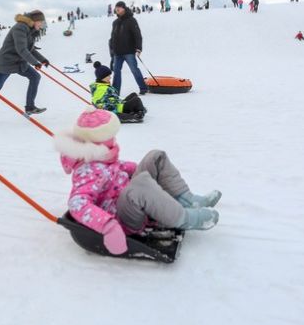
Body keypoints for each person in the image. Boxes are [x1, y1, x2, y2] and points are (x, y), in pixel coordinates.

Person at [55, 108, 221, 255]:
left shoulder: (99, 156)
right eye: (110, 136)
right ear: (98, 140)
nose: (114, 139)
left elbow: (114, 168)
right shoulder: (87, 171)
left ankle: (189, 200)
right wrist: (109, 226)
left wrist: (140, 168)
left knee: (156, 157)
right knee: (140, 185)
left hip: (128, 199)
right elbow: (77, 203)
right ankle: (184, 218)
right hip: (123, 219)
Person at [109, 1, 147, 96]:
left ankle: (143, 87)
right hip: (117, 53)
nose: (117, 9)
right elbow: (112, 38)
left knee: (134, 69)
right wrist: (112, 53)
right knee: (116, 72)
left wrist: (138, 49)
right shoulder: (115, 22)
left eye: (119, 8)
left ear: (124, 8)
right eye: (116, 8)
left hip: (129, 51)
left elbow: (137, 35)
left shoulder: (131, 20)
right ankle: (115, 92)